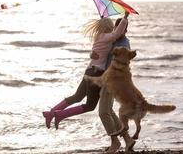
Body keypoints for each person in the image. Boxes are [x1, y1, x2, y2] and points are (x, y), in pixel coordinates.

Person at [42, 12, 129, 130]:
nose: (113, 28)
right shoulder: (107, 37)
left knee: (77, 96)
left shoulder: (98, 36)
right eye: (112, 26)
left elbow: (96, 52)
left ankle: (51, 112)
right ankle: (58, 114)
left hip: (89, 71)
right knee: (90, 106)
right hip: (96, 74)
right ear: (109, 27)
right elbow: (117, 33)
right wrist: (125, 18)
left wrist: (91, 54)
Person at [95, 18, 134, 153]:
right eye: (117, 28)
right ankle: (128, 139)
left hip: (113, 81)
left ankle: (115, 142)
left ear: (126, 29)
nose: (119, 31)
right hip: (106, 79)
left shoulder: (124, 43)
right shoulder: (113, 40)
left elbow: (124, 63)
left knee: (103, 113)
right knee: (109, 111)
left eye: (122, 28)